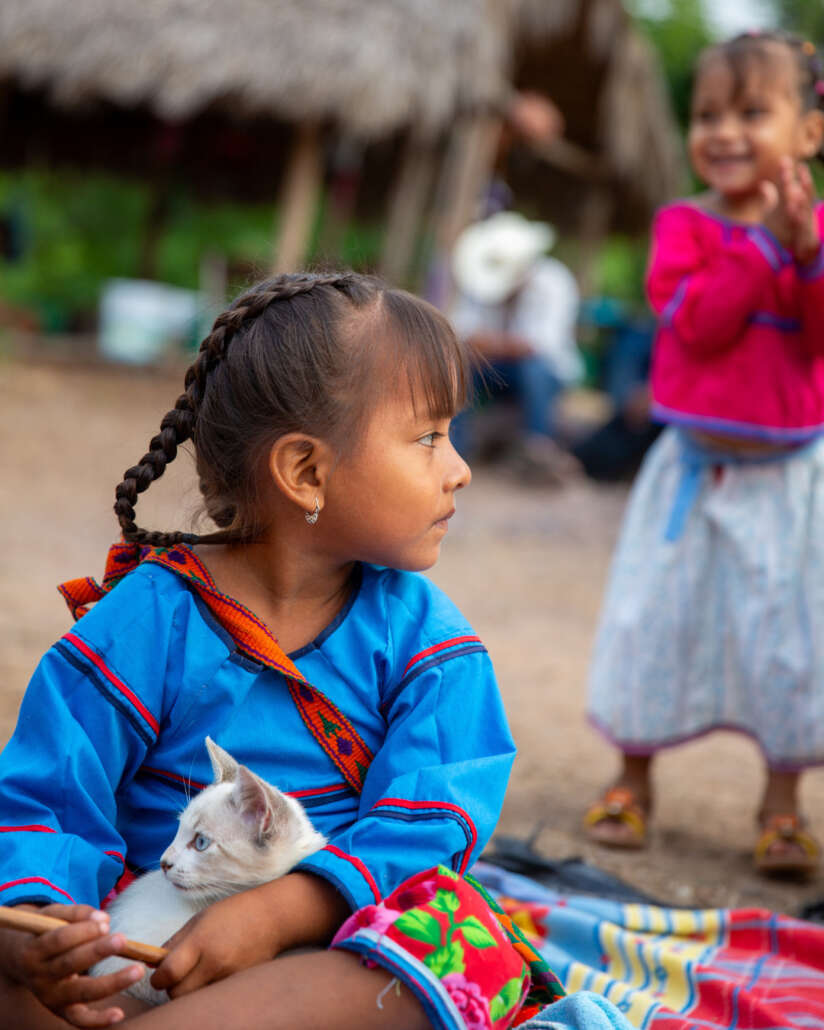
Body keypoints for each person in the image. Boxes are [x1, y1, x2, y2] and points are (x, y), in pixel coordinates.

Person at [0, 271, 627, 1030]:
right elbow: (46, 805)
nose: (459, 468)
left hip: (318, 962)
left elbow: (430, 824)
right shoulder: (142, 622)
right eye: (429, 437)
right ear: (306, 472)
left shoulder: (430, 644)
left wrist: (277, 913)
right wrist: (39, 928)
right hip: (137, 953)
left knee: (460, 944)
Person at [584, 30, 824, 877]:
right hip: (688, 470)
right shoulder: (682, 226)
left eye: (753, 112)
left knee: (789, 638)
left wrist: (805, 254)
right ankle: (631, 780)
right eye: (707, 113)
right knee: (655, 620)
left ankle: (783, 804)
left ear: (808, 133)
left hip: (789, 482)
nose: (723, 131)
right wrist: (765, 248)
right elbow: (699, 324)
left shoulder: (818, 234)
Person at [449, 211, 584, 484]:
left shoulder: (555, 281)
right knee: (459, 364)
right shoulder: (478, 279)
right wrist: (504, 345)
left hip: (548, 373)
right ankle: (454, 449)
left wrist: (489, 342)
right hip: (498, 368)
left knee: (535, 369)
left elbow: (541, 346)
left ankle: (538, 453)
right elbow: (460, 333)